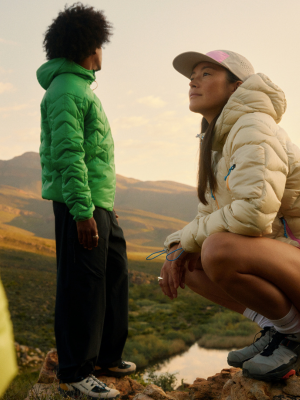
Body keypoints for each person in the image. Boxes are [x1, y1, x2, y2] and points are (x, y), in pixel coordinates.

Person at [157, 50, 300, 381]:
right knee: (187, 264)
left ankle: (298, 338)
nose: (193, 81)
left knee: (216, 248)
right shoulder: (220, 144)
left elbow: (253, 215)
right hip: (297, 267)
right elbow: (207, 214)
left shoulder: (253, 127)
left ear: (236, 86)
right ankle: (277, 330)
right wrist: (176, 246)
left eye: (206, 73)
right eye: (192, 76)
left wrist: (186, 241)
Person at [37, 4, 135, 397]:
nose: (101, 52)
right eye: (99, 44)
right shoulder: (65, 90)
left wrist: (101, 207)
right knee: (82, 285)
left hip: (99, 202)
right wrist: (82, 211)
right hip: (81, 205)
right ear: (88, 46)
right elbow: (68, 154)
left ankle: (106, 356)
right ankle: (76, 373)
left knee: (113, 275)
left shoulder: (78, 88)